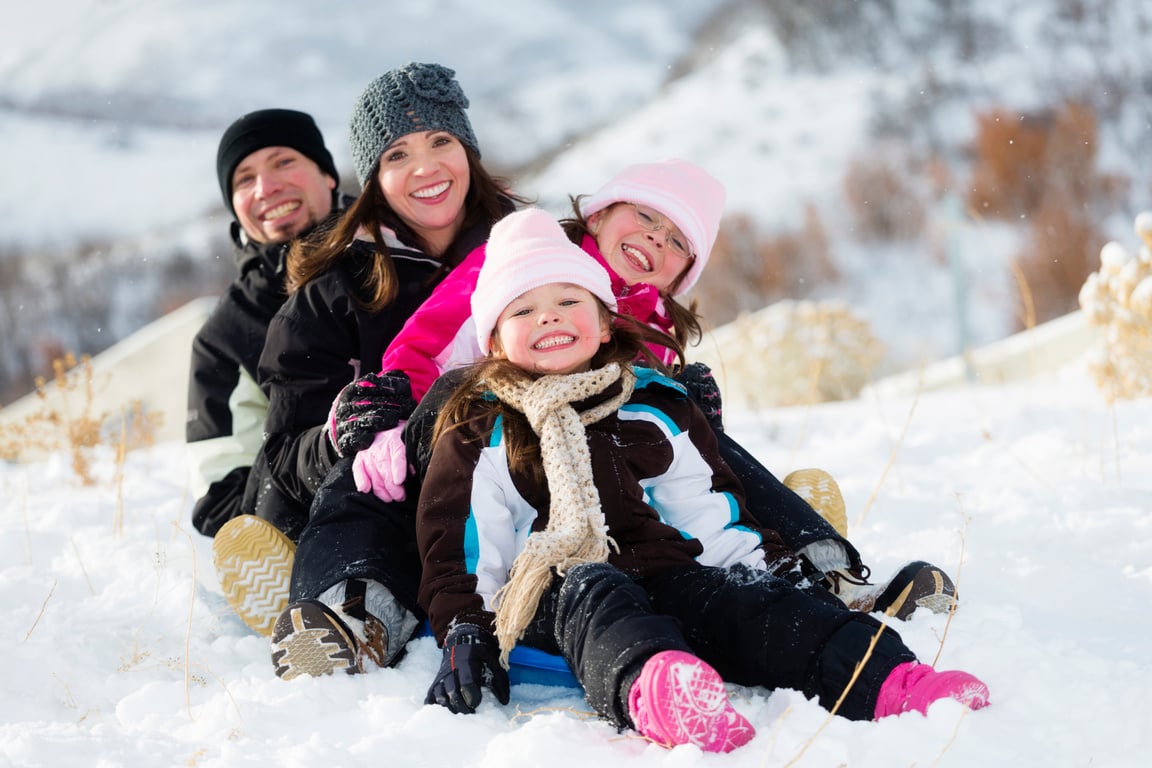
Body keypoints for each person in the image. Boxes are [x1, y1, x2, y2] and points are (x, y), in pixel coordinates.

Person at [415, 209, 989, 752]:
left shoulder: (650, 402)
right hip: (553, 598)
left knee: (743, 601)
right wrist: (468, 633)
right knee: (596, 588)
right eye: (522, 310)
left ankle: (888, 679)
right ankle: (659, 688)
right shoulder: (480, 429)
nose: (549, 316)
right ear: (493, 342)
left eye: (569, 300)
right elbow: (464, 548)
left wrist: (758, 579)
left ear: (605, 319)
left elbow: (705, 505)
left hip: (664, 573)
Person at [333, 158, 956, 624]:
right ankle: (360, 602)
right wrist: (396, 419)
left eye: (677, 241)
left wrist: (693, 417)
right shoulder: (522, 259)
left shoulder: (652, 335)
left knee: (709, 444)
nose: (656, 239)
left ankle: (819, 570)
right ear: (600, 214)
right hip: (482, 445)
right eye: (647, 217)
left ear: (683, 273)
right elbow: (422, 347)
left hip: (579, 476)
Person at [235, 62, 526, 660]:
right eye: (397, 154)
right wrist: (338, 435)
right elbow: (284, 455)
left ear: (467, 150)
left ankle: (764, 540)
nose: (425, 167)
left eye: (441, 141)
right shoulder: (332, 294)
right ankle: (350, 616)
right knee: (366, 472)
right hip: (398, 497)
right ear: (372, 177)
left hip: (511, 473)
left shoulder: (527, 254)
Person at [187, 108, 350, 540]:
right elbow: (222, 497)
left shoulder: (396, 250)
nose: (266, 187)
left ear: (327, 175)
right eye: (244, 178)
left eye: (283, 162)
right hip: (317, 509)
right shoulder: (226, 334)